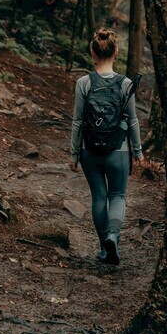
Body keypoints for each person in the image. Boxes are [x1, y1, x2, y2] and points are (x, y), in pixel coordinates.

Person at [69, 27, 143, 265]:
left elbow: (78, 121)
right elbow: (132, 120)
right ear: (116, 51)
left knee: (99, 197)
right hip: (118, 151)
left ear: (93, 52)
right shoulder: (125, 84)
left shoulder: (83, 83)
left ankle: (103, 249)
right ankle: (113, 235)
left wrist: (73, 155)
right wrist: (139, 152)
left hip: (90, 150)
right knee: (118, 195)